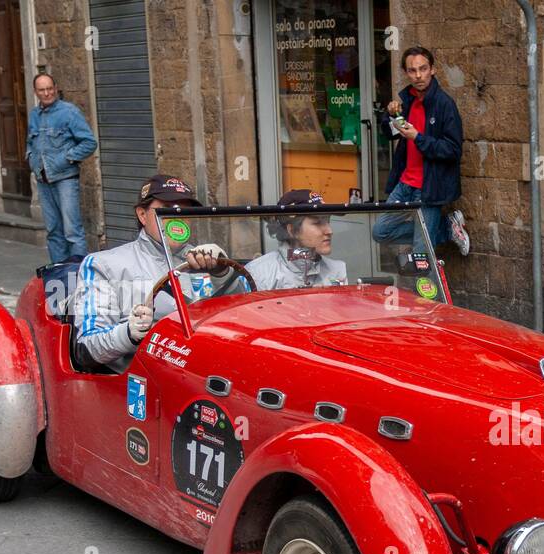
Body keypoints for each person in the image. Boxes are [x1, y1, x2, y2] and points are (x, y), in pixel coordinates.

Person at [71, 175, 231, 373]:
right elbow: (86, 347)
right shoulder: (104, 265)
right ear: (142, 215)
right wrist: (130, 333)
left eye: (184, 211)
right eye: (166, 210)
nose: (177, 217)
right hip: (143, 377)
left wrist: (222, 272)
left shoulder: (205, 258)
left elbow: (238, 317)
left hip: (206, 369)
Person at [371, 46, 470, 256]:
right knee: (380, 231)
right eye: (412, 70)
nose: (418, 75)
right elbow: (391, 134)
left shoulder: (445, 105)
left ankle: (432, 237)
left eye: (423, 69)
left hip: (429, 188)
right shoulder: (406, 101)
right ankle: (445, 228)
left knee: (421, 252)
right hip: (405, 184)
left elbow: (453, 150)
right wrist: (389, 117)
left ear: (432, 70)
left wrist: (418, 138)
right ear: (407, 73)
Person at [26, 73, 98, 263]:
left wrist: (67, 158)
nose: (47, 93)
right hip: (43, 180)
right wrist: (31, 159)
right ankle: (59, 273)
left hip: (65, 178)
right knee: (53, 231)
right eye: (42, 90)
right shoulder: (34, 115)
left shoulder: (69, 112)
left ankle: (80, 275)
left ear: (55, 88)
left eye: (50, 88)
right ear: (36, 92)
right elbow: (30, 143)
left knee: (72, 231)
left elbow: (89, 142)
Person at [247, 190, 347, 290]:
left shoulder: (337, 270)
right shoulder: (258, 274)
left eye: (327, 221)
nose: (329, 231)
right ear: (292, 230)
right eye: (318, 223)